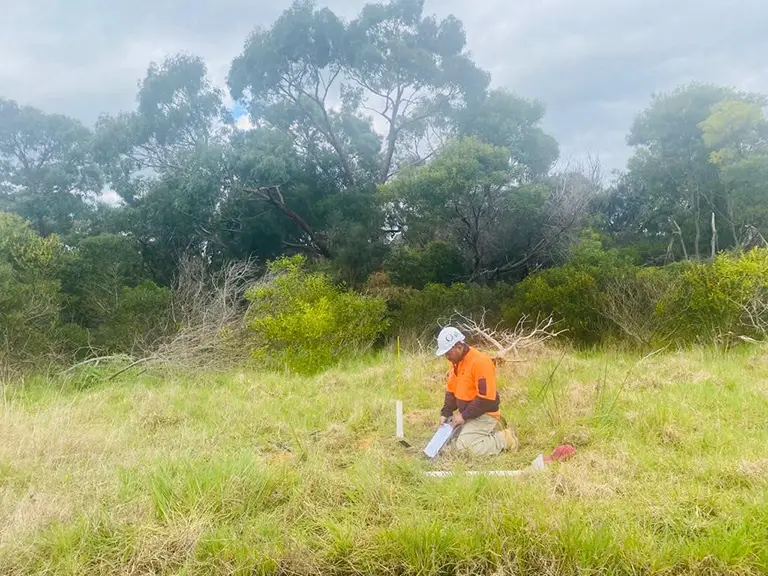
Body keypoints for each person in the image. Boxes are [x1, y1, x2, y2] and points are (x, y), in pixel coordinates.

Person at [436, 326, 518, 456]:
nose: (446, 357)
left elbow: (486, 400)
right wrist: (445, 414)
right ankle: (487, 432)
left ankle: (505, 439)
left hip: (485, 414)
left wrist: (462, 417)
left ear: (459, 347)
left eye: (448, 353)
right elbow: (451, 392)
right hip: (469, 414)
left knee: (463, 449)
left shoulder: (480, 362)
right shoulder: (456, 362)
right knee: (447, 444)